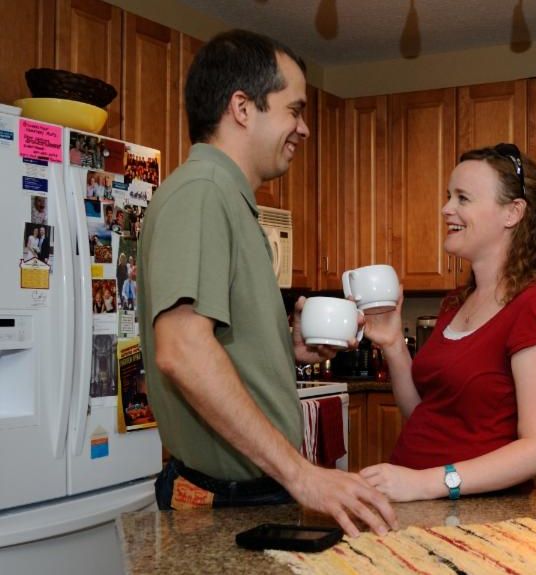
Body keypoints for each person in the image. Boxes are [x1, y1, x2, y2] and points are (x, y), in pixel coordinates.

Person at [137, 29, 396, 537]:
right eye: (294, 111)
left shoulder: (225, 199)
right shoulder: (203, 193)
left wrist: (282, 347)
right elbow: (182, 349)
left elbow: (214, 343)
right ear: (242, 108)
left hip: (246, 496)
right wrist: (302, 475)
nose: (304, 128)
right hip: (227, 503)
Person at [360, 143, 536, 502]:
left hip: (475, 514)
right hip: (422, 505)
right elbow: (426, 415)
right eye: (449, 196)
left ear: (512, 213)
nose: (446, 209)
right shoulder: (458, 302)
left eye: (463, 198)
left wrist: (423, 483)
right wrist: (393, 344)